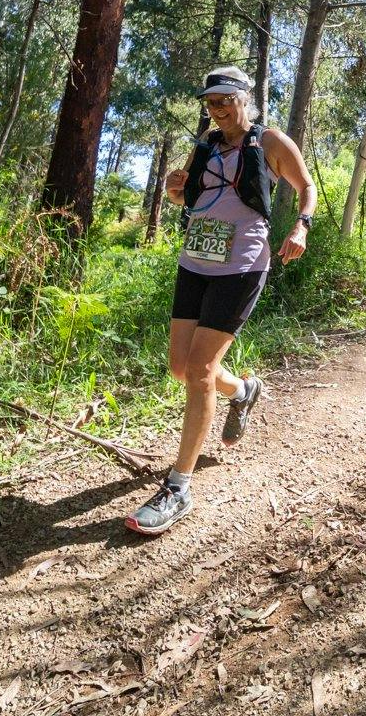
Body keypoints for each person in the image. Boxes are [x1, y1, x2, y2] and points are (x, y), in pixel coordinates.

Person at [126, 66, 316, 535]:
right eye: (211, 102)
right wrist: (175, 188)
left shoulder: (269, 142)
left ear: (244, 99)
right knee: (179, 366)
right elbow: (190, 197)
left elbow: (306, 187)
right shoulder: (206, 144)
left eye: (225, 100)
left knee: (199, 370)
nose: (218, 109)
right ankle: (244, 391)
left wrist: (300, 227)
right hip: (195, 262)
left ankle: (178, 487)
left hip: (242, 266)